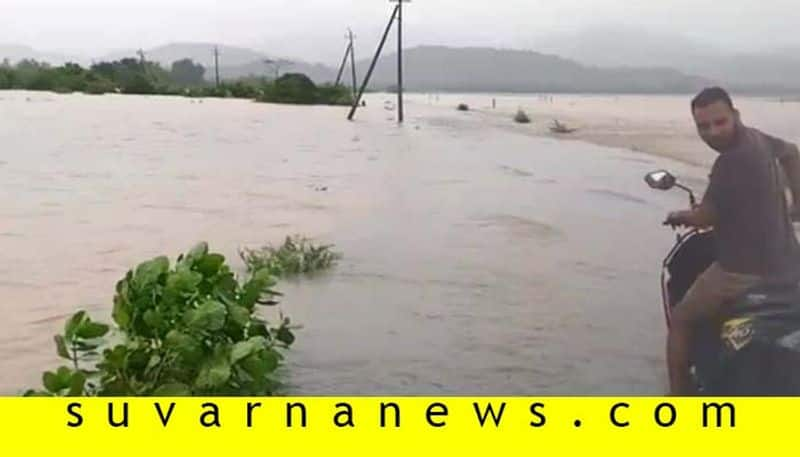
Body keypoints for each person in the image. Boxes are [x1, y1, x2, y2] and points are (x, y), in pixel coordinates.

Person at [664, 87, 800, 395]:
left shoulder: (730, 162)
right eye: (703, 126)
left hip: (742, 272)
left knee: (682, 319)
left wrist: (680, 215)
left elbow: (706, 217)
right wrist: (798, 203)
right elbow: (792, 151)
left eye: (719, 122)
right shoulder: (760, 140)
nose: (712, 132)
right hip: (790, 264)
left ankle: (677, 398)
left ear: (734, 115)